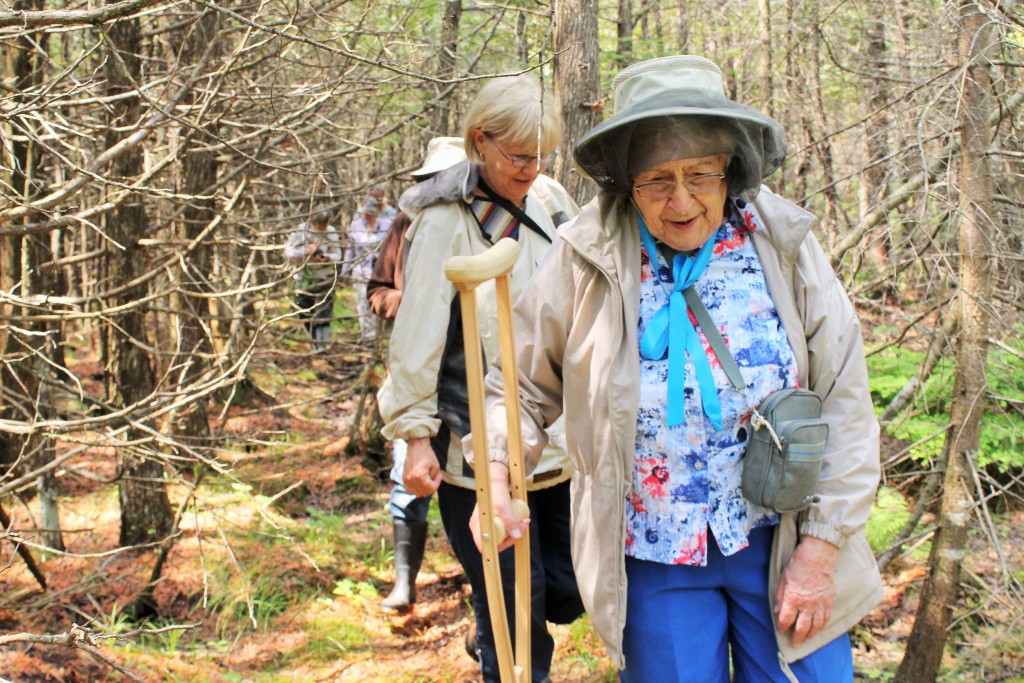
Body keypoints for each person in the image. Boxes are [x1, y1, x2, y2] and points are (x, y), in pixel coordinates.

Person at [469, 55, 884, 683]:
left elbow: (844, 395)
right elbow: (517, 386)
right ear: (626, 182)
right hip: (656, 551)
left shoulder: (781, 242)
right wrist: (496, 473)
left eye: (700, 174)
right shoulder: (587, 256)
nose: (682, 199)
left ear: (730, 170)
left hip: (783, 539)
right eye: (657, 180)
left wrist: (823, 546)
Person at [377, 74, 585, 683]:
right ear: (479, 143)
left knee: (571, 591)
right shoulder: (443, 220)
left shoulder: (548, 200)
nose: (530, 168)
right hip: (476, 455)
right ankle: (502, 656)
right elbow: (414, 338)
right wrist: (416, 435)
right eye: (518, 156)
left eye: (540, 155)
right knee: (520, 616)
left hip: (554, 447)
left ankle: (489, 633)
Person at [367, 136, 467, 612]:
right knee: (411, 480)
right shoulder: (404, 227)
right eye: (433, 180)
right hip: (417, 380)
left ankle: (482, 600)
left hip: (472, 385)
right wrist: (416, 308)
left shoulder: (486, 223)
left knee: (479, 487)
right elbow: (377, 289)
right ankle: (405, 582)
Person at [284, 206, 343, 353]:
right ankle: (312, 342)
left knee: (324, 311)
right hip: (305, 278)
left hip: (325, 277)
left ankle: (322, 345)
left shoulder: (331, 233)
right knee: (304, 310)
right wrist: (306, 251)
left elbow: (338, 255)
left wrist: (328, 258)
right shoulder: (301, 232)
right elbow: (288, 253)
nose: (322, 228)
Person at [343, 198, 391, 344]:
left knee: (378, 305)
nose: (367, 216)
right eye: (365, 213)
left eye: (370, 213)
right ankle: (368, 339)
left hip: (381, 273)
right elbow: (350, 250)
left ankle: (377, 336)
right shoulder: (356, 226)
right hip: (361, 272)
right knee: (363, 305)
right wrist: (345, 270)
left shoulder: (387, 225)